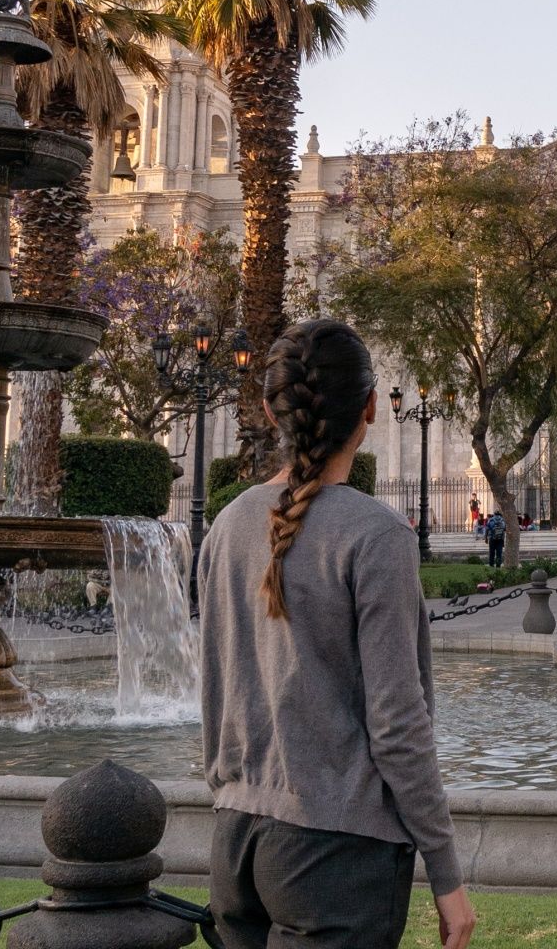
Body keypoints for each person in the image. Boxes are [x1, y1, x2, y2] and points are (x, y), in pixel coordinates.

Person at [199, 319, 474, 949]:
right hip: (338, 853)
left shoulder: (227, 525)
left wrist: (233, 798)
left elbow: (214, 689)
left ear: (272, 411)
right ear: (372, 408)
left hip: (237, 842)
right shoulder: (376, 536)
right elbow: (399, 724)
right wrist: (447, 874)